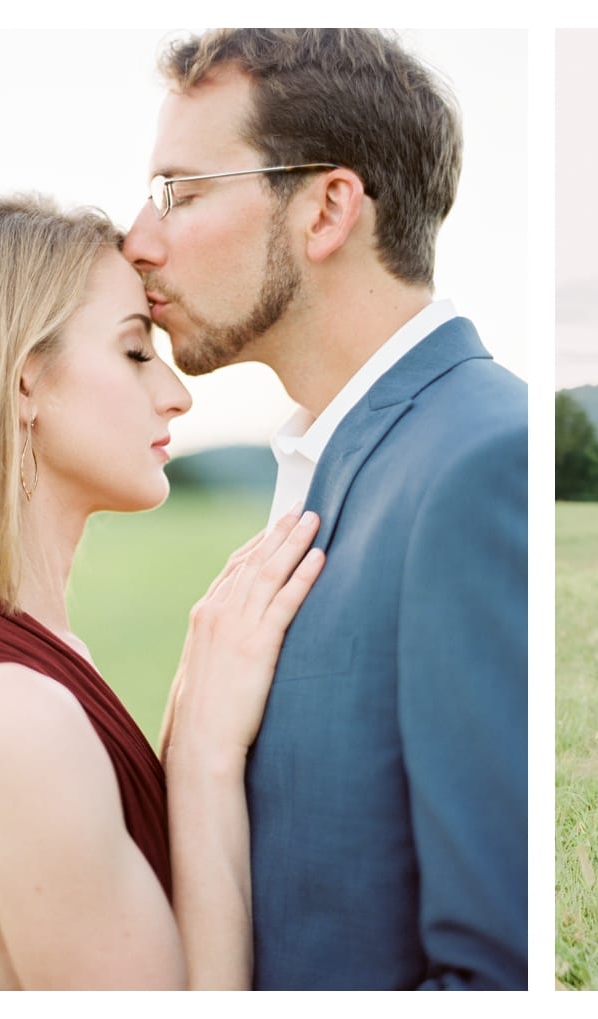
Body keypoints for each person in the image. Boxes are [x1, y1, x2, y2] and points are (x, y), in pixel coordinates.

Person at [120, 29, 527, 989]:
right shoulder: (333, 452)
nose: (139, 235)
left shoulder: (483, 462)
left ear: (328, 209)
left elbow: (497, 978)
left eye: (180, 191)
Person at [0, 194, 326, 989]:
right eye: (136, 351)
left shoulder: (22, 668)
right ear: (24, 384)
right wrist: (202, 756)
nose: (177, 392)